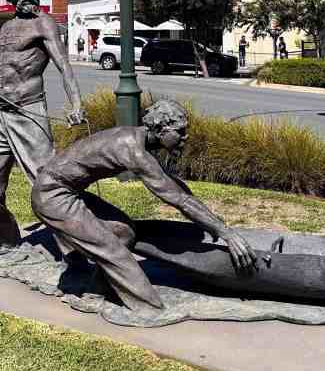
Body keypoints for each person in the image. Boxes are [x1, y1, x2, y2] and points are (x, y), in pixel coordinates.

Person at [31, 99, 258, 315]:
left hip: (65, 191)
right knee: (114, 251)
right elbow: (177, 198)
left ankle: (95, 291)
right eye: (179, 131)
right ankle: (150, 309)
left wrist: (213, 222)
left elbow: (177, 189)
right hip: (52, 197)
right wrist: (226, 233)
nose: (185, 137)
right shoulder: (133, 150)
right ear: (161, 129)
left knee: (123, 233)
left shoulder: (136, 138)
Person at [0, 0, 85, 253]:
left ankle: (77, 252)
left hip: (28, 113)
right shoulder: (7, 26)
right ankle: (10, 243)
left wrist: (76, 104)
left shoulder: (45, 23)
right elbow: (12, 64)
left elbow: (64, 66)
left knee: (49, 188)